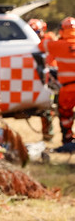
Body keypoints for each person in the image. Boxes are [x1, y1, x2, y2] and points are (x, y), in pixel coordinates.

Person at [40, 17, 75, 152]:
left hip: (68, 90)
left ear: (62, 30)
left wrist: (50, 36)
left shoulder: (58, 45)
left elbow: (41, 45)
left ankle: (68, 141)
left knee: (65, 115)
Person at [29, 19, 57, 141]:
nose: (36, 35)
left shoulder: (48, 39)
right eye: (33, 32)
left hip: (52, 78)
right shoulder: (29, 43)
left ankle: (48, 134)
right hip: (35, 77)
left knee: (49, 107)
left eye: (37, 31)